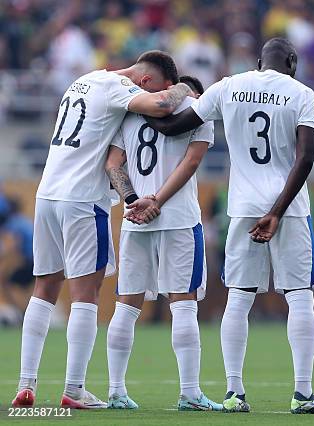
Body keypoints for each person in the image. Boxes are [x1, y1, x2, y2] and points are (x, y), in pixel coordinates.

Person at [145, 37, 314, 415]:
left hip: (243, 206)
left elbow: (175, 126)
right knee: (299, 297)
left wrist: (136, 108)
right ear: (292, 62)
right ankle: (302, 394)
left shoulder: (229, 85)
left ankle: (234, 393)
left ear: (258, 61)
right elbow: (306, 157)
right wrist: (278, 211)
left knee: (239, 298)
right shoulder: (301, 93)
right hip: (290, 210)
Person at [12, 50, 194, 409]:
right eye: (161, 85)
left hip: (47, 194)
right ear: (145, 80)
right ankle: (74, 389)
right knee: (86, 294)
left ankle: (25, 384)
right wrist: (184, 89)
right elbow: (161, 106)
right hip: (82, 199)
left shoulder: (83, 80)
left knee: (44, 287)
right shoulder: (116, 87)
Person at [104, 75, 221, 411]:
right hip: (180, 220)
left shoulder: (130, 112)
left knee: (126, 307)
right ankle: (190, 393)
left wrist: (133, 200)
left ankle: (115, 391)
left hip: (134, 219)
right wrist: (156, 201)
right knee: (183, 305)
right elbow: (192, 162)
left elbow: (113, 164)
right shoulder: (198, 110)